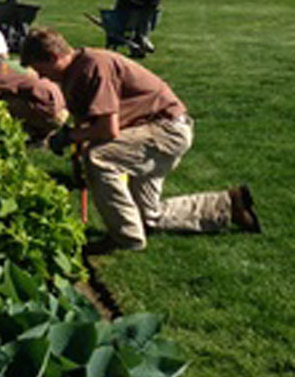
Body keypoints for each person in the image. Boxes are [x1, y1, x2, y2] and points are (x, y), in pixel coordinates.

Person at [20, 27, 261, 251]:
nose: (43, 78)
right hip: (148, 132)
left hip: (166, 130)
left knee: (99, 158)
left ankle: (125, 237)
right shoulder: (74, 74)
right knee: (149, 216)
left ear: (53, 56)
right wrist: (76, 147)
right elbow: (89, 123)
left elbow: (107, 129)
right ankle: (230, 205)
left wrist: (69, 137)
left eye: (41, 70)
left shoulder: (93, 65)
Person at [0, 50, 67, 143]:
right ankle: (39, 130)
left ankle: (37, 130)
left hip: (52, 112)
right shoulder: (3, 64)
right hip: (59, 102)